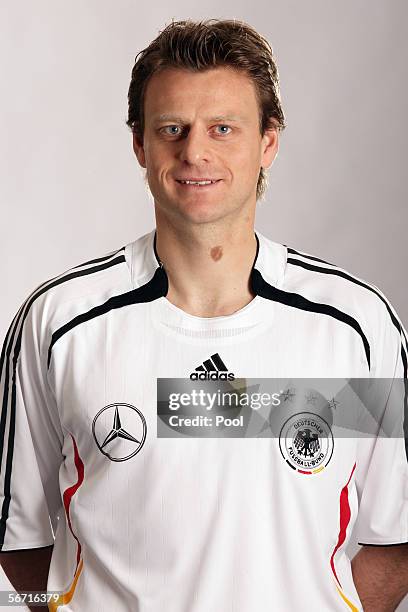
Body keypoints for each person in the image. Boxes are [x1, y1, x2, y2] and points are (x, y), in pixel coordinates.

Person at [0, 18, 407, 612]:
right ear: (140, 144)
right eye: (172, 129)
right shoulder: (60, 322)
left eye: (223, 128)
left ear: (268, 140)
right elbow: (17, 535)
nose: (195, 152)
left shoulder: (355, 326)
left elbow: (397, 538)